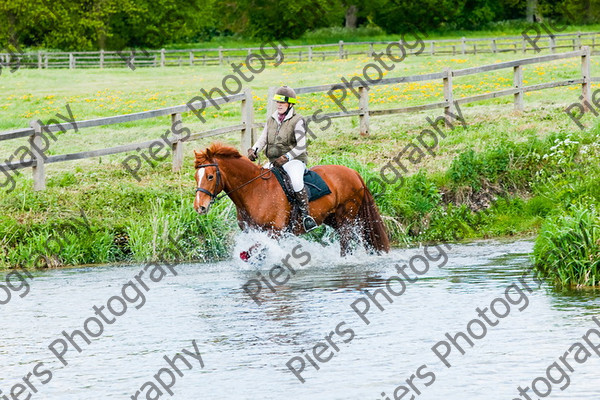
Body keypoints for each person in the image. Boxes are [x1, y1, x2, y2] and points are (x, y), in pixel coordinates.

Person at [247, 86, 318, 232]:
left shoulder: (298, 120)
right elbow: (263, 139)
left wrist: (286, 157)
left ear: (290, 104)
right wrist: (254, 149)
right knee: (257, 180)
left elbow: (301, 146)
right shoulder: (271, 120)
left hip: (295, 160)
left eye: (282, 103)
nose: (279, 105)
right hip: (274, 162)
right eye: (277, 102)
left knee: (296, 182)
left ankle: (306, 216)